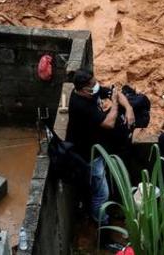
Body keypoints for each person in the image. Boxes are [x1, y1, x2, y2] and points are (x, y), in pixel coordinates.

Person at [67, 70, 132, 224]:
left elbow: (115, 92)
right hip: (89, 154)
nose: (97, 86)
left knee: (101, 186)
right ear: (83, 89)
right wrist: (115, 104)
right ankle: (101, 222)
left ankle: (103, 213)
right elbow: (108, 123)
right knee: (101, 194)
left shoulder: (90, 92)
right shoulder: (80, 105)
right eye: (92, 85)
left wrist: (128, 108)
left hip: (98, 145)